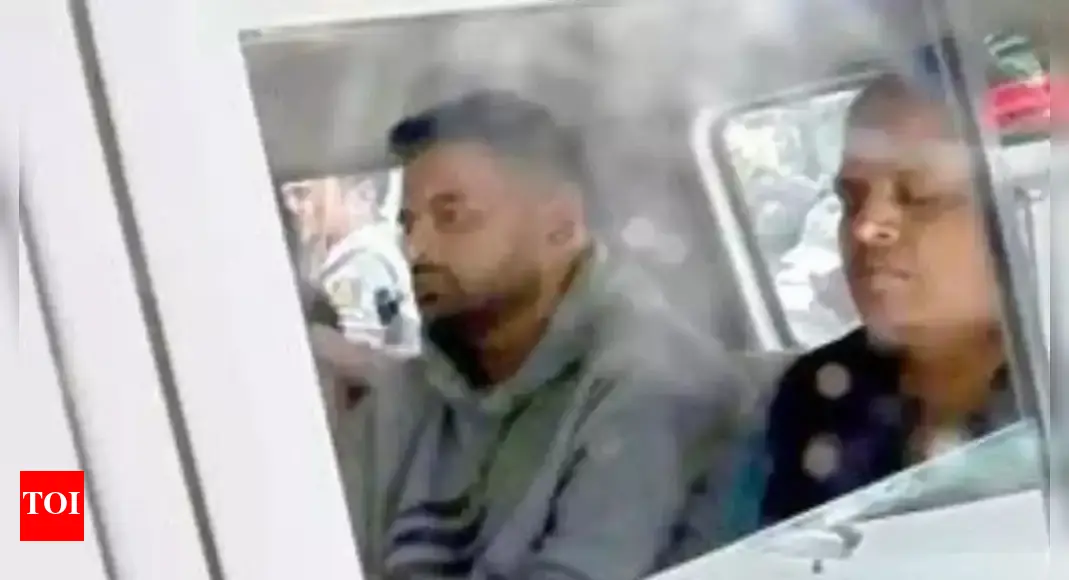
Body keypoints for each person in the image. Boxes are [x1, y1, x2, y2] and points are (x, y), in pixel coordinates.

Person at [337, 90, 743, 580]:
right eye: (408, 225)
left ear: (559, 224)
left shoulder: (656, 383)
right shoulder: (399, 405)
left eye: (451, 216)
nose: (414, 249)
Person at [756, 72, 1019, 526]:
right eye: (851, 200)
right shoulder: (815, 392)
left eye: (918, 197)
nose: (864, 227)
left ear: (1021, 207)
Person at [283, 174, 422, 358]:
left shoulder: (360, 263)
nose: (292, 206)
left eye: (303, 194)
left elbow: (360, 350)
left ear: (362, 196)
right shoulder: (374, 250)